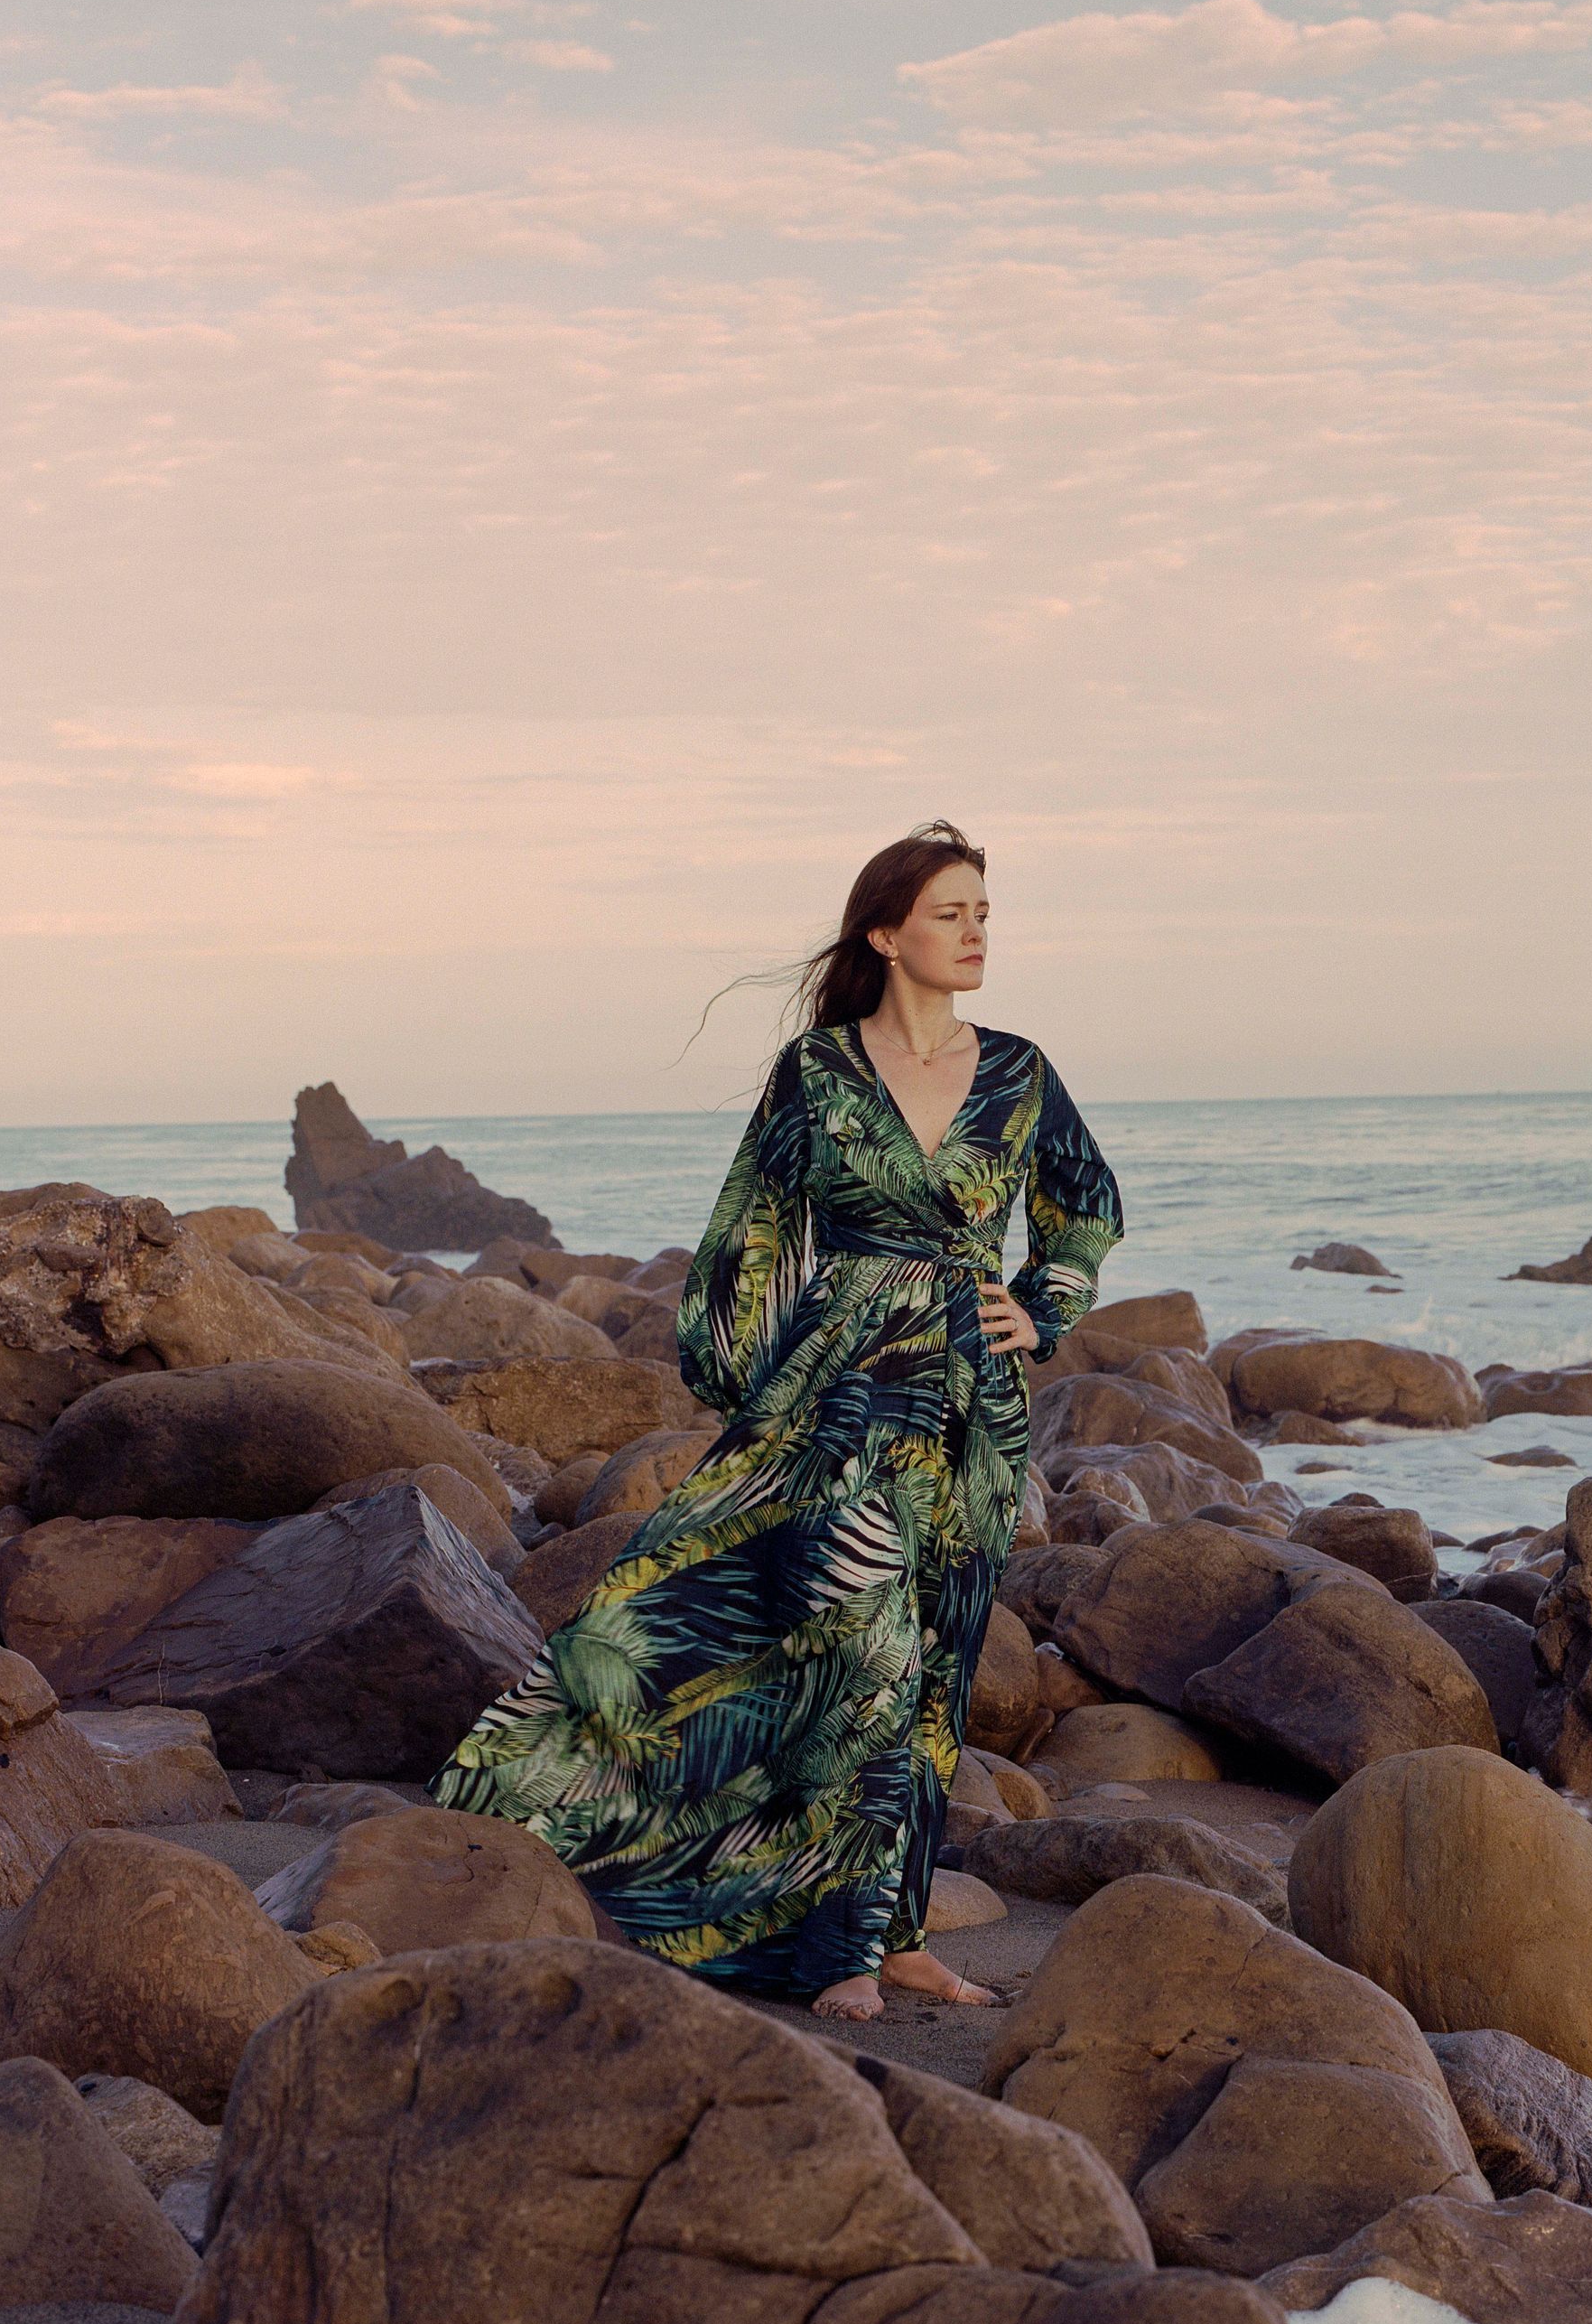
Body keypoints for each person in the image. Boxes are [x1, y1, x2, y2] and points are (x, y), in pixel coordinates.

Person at [432, 820, 1122, 2021]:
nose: (975, 935)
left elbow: (1087, 1202)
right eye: (951, 914)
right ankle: (834, 1949)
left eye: (983, 916)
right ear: (885, 933)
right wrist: (752, 1383)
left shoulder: (1018, 1071)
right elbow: (751, 1228)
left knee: (938, 1662)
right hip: (841, 1389)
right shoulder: (818, 1074)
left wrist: (1045, 1303)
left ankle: (898, 1932)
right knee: (858, 1649)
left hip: (970, 1401)